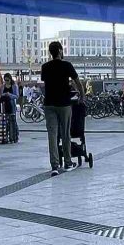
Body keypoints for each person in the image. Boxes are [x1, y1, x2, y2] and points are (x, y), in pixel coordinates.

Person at [41, 41, 84, 176]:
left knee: (52, 135)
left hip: (49, 104)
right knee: (65, 134)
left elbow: (47, 83)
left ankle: (54, 166)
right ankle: (68, 162)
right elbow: (78, 82)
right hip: (64, 104)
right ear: (60, 50)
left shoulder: (45, 67)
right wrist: (82, 96)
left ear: (50, 52)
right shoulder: (67, 65)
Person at [0, 73, 20, 141]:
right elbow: (0, 95)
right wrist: (4, 95)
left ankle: (14, 135)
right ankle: (6, 135)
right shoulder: (2, 86)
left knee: (13, 120)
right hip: (4, 105)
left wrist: (10, 95)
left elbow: (16, 96)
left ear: (10, 79)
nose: (6, 82)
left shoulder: (14, 86)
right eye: (5, 80)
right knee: (5, 120)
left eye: (7, 80)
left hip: (11, 105)